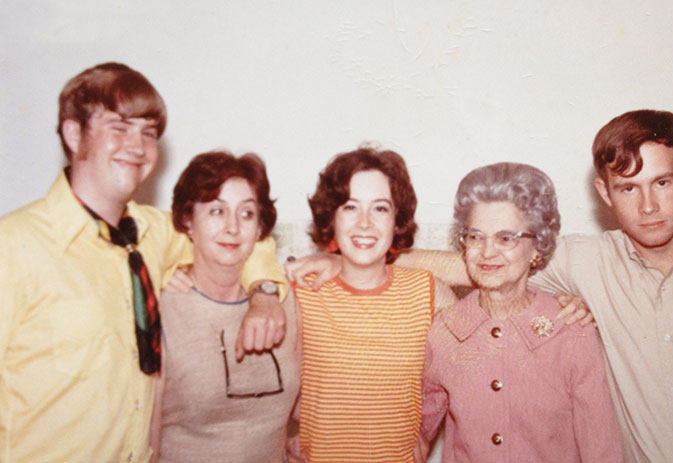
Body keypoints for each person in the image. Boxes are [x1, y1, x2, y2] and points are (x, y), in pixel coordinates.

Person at [399, 110, 673, 462]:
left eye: (662, 183)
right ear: (605, 192)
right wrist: (353, 261)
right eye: (628, 187)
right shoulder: (582, 261)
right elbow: (488, 264)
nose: (648, 205)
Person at [0, 62, 286, 463]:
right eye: (119, 127)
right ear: (73, 133)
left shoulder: (153, 232)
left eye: (148, 133)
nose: (137, 146)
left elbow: (243, 240)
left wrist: (264, 293)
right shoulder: (13, 246)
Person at [415, 162, 622, 462]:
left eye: (506, 238)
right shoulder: (443, 332)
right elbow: (414, 440)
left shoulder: (572, 331)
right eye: (475, 236)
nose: (487, 252)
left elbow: (601, 451)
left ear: (537, 245)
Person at [291, 146, 455, 463]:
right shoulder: (303, 292)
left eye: (380, 209)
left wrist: (426, 431)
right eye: (350, 207)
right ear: (332, 218)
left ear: (397, 220)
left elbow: (489, 295)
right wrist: (288, 433)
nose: (365, 223)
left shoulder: (427, 291)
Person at [150, 152, 301, 462]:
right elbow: (144, 440)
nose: (232, 227)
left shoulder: (284, 302)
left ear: (260, 228)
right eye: (217, 210)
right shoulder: (162, 311)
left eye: (246, 214)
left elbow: (304, 409)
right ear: (188, 221)